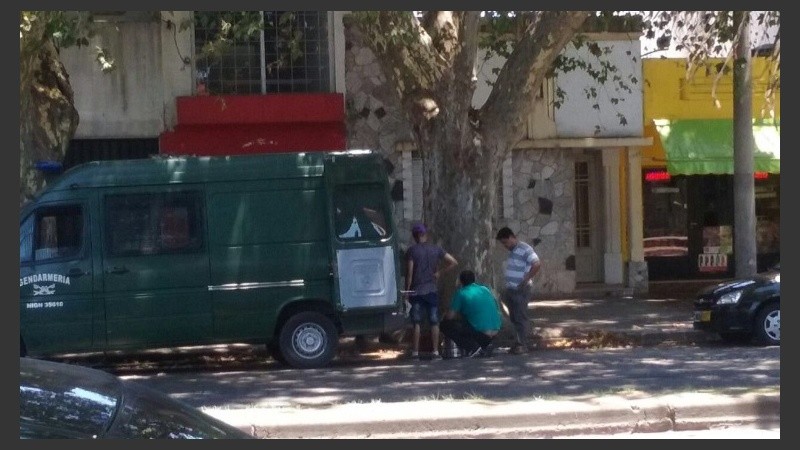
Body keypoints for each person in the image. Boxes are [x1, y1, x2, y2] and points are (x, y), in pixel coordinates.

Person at [405, 223, 458, 360]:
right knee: (434, 322)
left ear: (415, 236)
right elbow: (453, 262)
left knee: (416, 322)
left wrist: (407, 292)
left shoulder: (412, 251)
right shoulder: (436, 249)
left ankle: (415, 353)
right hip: (432, 290)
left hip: (416, 292)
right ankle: (435, 352)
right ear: (425, 235)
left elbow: (410, 273)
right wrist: (439, 273)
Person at [495, 226, 541, 355]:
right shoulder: (513, 251)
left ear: (511, 237)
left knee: (520, 317)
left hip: (521, 289)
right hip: (511, 289)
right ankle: (517, 342)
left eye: (505, 242)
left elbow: (536, 263)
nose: (505, 245)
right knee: (514, 317)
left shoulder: (525, 249)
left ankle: (523, 344)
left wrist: (526, 278)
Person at [440, 270, 502, 358]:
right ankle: (486, 345)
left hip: (481, 333)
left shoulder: (461, 293)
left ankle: (472, 347)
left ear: (460, 281)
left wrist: (443, 316)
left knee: (445, 325)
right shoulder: (485, 289)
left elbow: (450, 316)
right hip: (495, 330)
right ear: (474, 279)